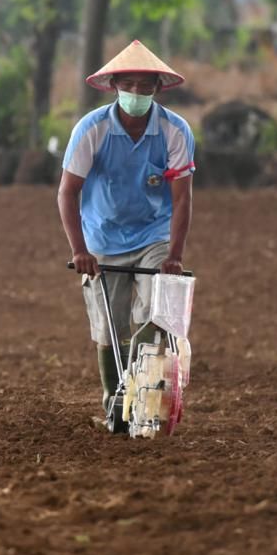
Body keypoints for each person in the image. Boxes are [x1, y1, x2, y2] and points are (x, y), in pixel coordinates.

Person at [58, 40, 196, 416]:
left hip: (153, 233)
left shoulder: (175, 131)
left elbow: (182, 198)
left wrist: (174, 256)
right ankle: (113, 400)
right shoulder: (92, 129)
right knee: (109, 324)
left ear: (157, 88)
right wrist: (80, 250)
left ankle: (136, 387)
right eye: (129, 85)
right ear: (115, 86)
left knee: (157, 310)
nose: (136, 92)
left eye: (144, 86)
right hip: (102, 234)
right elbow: (68, 192)